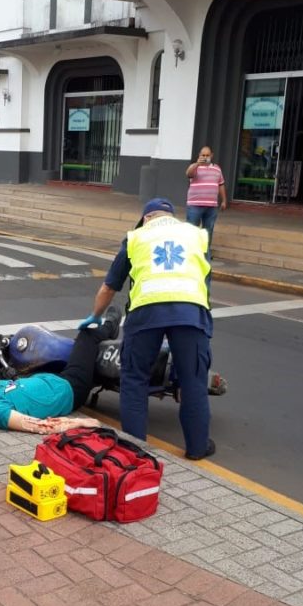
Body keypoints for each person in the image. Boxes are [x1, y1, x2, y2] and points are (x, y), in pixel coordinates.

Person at [82, 197, 215, 460]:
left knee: (134, 380)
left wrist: (94, 316)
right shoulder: (197, 235)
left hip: (146, 312)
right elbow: (204, 278)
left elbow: (110, 287)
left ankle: (135, 452)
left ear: (146, 218)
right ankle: (198, 448)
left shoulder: (136, 237)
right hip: (190, 312)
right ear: (172, 217)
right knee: (193, 381)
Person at [0, 305, 123, 434]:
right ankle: (110, 326)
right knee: (86, 337)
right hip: (70, 388)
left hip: (53, 378)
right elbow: (40, 426)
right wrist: (79, 423)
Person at [185, 145, 227, 251]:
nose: (205, 157)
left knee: (208, 231)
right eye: (203, 155)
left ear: (211, 155)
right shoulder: (195, 167)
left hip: (211, 206)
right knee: (191, 230)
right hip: (195, 205)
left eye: (207, 155)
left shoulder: (217, 168)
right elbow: (188, 173)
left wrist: (224, 200)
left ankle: (205, 254)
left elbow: (221, 184)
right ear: (199, 155)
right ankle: (190, 252)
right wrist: (197, 164)